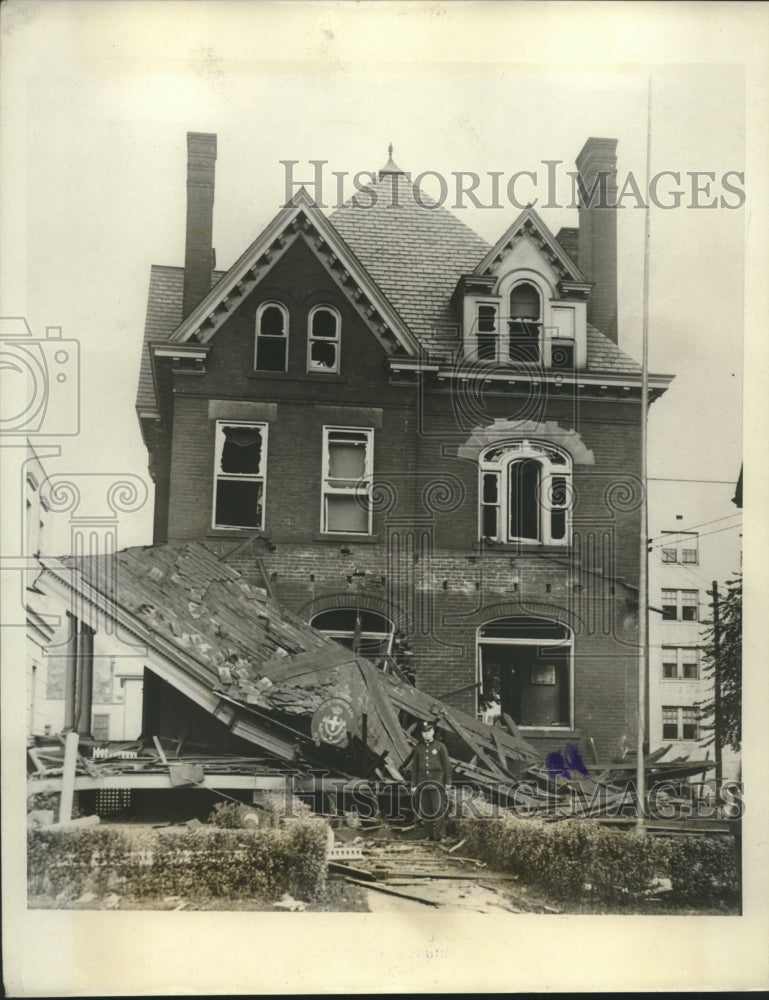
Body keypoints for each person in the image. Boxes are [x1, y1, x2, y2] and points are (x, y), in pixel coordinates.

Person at [402, 719, 453, 841]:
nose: (426, 734)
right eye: (424, 732)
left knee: (438, 810)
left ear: (433, 732)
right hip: (423, 784)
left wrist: (447, 782)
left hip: (437, 783)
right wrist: (414, 784)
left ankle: (441, 836)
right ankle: (430, 835)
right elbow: (415, 768)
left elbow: (447, 766)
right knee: (426, 811)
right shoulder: (418, 748)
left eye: (429, 731)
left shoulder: (440, 747)